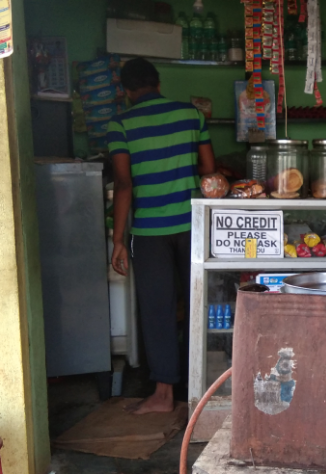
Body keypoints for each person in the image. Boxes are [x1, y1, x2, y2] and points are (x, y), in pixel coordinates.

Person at [107, 58, 216, 414]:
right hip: (193, 225)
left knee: (158, 310)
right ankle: (202, 388)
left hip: (150, 231)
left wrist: (118, 239)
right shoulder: (192, 115)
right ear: (157, 82)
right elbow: (209, 170)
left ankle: (164, 395)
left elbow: (124, 184)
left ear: (126, 91)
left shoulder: (120, 124)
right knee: (197, 303)